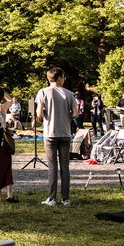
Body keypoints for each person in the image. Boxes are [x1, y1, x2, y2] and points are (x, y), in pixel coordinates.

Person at [35, 67, 78, 206]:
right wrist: (66, 115)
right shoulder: (69, 94)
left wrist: (43, 117)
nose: (64, 79)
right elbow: (76, 114)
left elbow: (39, 114)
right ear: (59, 78)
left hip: (50, 133)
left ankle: (52, 198)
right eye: (63, 77)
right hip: (65, 133)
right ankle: (66, 199)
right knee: (65, 166)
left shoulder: (43, 92)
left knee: (52, 166)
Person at [0, 87, 18, 204]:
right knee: (7, 167)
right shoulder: (2, 106)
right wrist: (4, 94)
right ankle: (10, 193)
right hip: (4, 138)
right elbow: (11, 100)